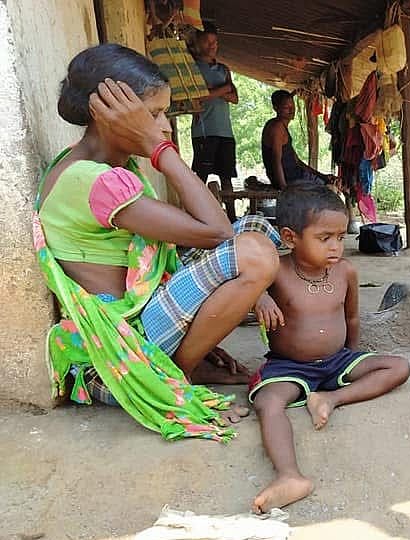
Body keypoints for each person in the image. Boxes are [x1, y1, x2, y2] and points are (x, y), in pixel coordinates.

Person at [36, 44, 280, 439]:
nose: (164, 126)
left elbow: (200, 230)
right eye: (152, 115)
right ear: (110, 115)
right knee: (255, 254)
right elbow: (216, 230)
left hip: (135, 324)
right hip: (126, 350)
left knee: (255, 226)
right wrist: (157, 149)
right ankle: (176, 373)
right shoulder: (93, 180)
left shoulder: (98, 167)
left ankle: (188, 356)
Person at [247, 183, 410, 513]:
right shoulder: (276, 271)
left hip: (337, 361)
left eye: (341, 237)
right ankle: (289, 476)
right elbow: (243, 284)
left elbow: (351, 317)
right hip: (288, 365)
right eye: (325, 238)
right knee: (268, 401)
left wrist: (351, 357)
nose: (336, 247)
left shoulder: (345, 272)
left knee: (399, 367)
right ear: (291, 237)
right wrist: (259, 297)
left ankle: (330, 398)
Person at [190, 29, 241, 220]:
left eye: (215, 42)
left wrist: (213, 92)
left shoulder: (224, 69)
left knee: (226, 177)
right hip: (204, 131)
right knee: (200, 177)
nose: (212, 46)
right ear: (197, 44)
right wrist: (224, 89)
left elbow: (235, 98)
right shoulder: (192, 68)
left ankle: (232, 219)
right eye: (207, 42)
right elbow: (197, 97)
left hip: (225, 132)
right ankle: (196, 217)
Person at [261, 90, 335, 189]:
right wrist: (283, 188)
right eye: (286, 107)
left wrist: (321, 176)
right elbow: (275, 160)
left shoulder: (281, 127)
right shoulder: (277, 127)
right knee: (328, 190)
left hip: (295, 176)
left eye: (293, 106)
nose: (292, 110)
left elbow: (297, 161)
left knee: (329, 183)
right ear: (276, 108)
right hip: (290, 179)